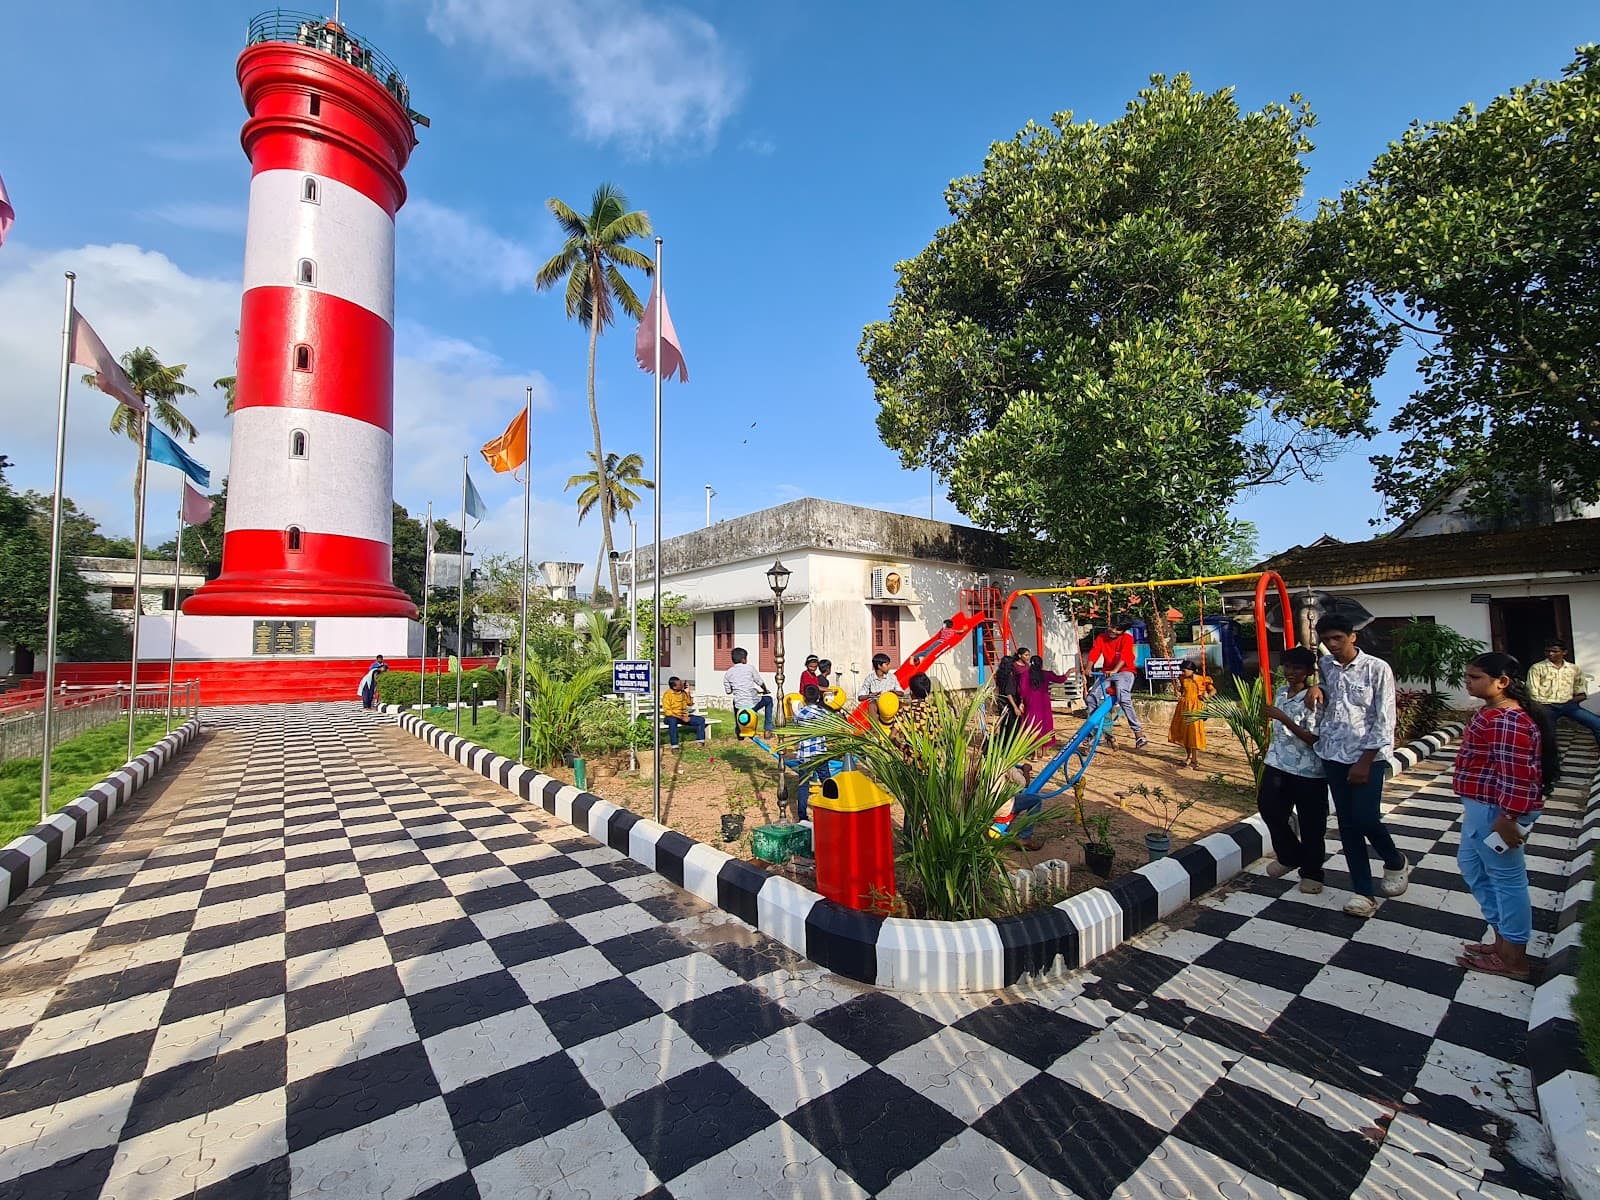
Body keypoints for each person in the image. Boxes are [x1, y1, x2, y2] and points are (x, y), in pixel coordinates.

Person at [1453, 652, 1548, 980]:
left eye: (1475, 677)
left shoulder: (1507, 719)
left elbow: (1517, 774)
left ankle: (1514, 958)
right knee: (1471, 865)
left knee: (1507, 879)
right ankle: (1502, 941)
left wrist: (1509, 817)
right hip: (1481, 807)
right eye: (1467, 676)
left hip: (1497, 811)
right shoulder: (1491, 712)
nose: (1468, 681)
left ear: (1502, 682)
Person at [1309, 613, 1407, 918]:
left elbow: (1384, 718)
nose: (1332, 645)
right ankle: (1363, 892)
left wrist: (1365, 761)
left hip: (1367, 757)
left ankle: (1394, 860)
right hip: (1333, 754)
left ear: (1353, 636)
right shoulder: (1326, 666)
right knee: (1348, 825)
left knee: (1365, 818)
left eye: (1337, 638)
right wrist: (1317, 689)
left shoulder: (1377, 669)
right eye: (1326, 640)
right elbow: (1327, 695)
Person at [1257, 647, 1328, 894]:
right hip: (1278, 763)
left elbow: (1313, 737)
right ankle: (1290, 855)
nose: (1290, 672)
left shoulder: (1314, 697)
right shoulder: (1280, 692)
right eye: (1287, 666)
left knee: (1312, 824)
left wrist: (1283, 718)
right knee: (1269, 809)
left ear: (1308, 672)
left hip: (1308, 770)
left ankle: (1312, 873)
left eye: (1297, 668)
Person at [1085, 619, 1147, 749]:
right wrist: (1089, 667)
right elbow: (1095, 652)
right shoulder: (1102, 637)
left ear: (1122, 631)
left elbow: (1125, 656)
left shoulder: (1127, 638)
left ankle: (1138, 734)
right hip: (1107, 672)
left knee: (1123, 697)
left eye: (1116, 629)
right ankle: (1096, 733)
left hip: (1125, 671)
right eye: (1112, 627)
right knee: (1091, 698)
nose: (1112, 630)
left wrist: (1115, 670)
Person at [1527, 641, 1600, 748]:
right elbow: (1532, 691)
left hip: (1568, 705)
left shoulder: (1573, 668)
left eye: (1555, 651)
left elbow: (1579, 687)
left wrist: (1576, 699)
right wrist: (1540, 708)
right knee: (1547, 734)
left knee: (1597, 723)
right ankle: (1549, 761)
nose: (1551, 654)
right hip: (1547, 706)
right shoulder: (1537, 668)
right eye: (1548, 651)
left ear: (1564, 652)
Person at [792, 684, 832, 819]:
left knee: (803, 785)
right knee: (826, 782)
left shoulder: (799, 714)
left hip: (805, 755)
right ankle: (831, 810)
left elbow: (795, 724)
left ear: (804, 698)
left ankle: (802, 816)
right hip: (820, 753)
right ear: (819, 697)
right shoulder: (823, 713)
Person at [1015, 650, 1069, 750]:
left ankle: (1033, 752)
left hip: (1030, 703)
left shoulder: (1025, 675)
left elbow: (1021, 690)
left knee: (1032, 724)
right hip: (1044, 704)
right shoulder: (1046, 674)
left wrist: (1022, 702)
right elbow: (1060, 679)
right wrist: (1068, 672)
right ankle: (1045, 752)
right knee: (1045, 725)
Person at [1167, 660, 1216, 769]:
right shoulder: (1182, 678)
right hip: (1183, 707)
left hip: (1195, 707)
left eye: (1184, 670)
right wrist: (1178, 693)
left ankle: (1195, 759)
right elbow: (1182, 691)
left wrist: (1207, 695)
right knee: (1185, 733)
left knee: (1194, 733)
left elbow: (1213, 691)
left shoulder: (1202, 679)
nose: (1182, 672)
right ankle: (1188, 757)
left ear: (1191, 670)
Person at [723, 647, 774, 733]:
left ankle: (738, 729)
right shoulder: (750, 668)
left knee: (735, 701)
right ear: (744, 659)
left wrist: (735, 687)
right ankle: (768, 728)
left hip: (740, 706)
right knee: (769, 700)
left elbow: (728, 692)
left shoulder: (728, 673)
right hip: (752, 705)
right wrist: (765, 690)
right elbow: (760, 682)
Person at [662, 676, 707, 748]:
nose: (682, 685)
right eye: (680, 684)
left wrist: (688, 692)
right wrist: (681, 717)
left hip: (683, 716)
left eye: (681, 683)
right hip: (671, 717)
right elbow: (668, 712)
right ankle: (675, 745)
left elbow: (690, 703)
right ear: (674, 687)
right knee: (673, 721)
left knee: (701, 720)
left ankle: (700, 742)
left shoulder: (683, 693)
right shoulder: (667, 695)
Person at [858, 652, 902, 719]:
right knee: (871, 705)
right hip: (878, 705)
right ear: (879, 666)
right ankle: (875, 728)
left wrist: (895, 692)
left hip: (891, 704)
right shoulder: (869, 678)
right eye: (887, 665)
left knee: (902, 705)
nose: (889, 667)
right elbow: (860, 697)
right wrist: (871, 695)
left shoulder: (892, 677)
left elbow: (901, 693)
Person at [994, 653, 1024, 743]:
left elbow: (998, 688)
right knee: (1012, 727)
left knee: (1004, 725)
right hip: (1010, 704)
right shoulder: (1010, 676)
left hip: (1001, 701)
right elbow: (1009, 693)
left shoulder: (999, 675)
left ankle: (1003, 743)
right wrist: (1015, 707)